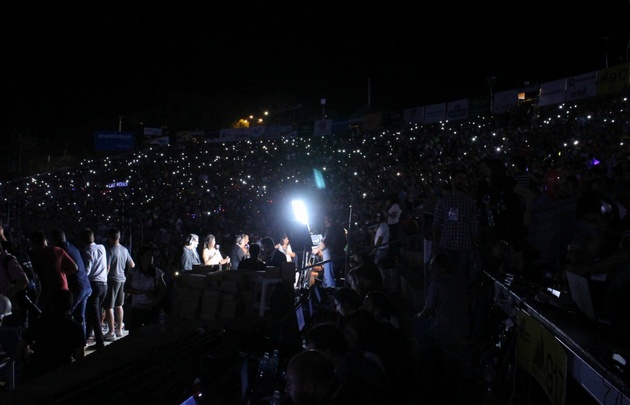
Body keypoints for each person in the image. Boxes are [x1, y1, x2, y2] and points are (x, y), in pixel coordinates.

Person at [15, 289, 85, 383]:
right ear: (70, 304)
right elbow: (79, 355)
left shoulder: (40, 323)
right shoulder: (76, 327)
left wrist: (23, 361)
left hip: (39, 368)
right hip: (63, 369)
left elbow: (21, 345)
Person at [432, 168, 479, 285]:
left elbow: (473, 226)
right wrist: (435, 245)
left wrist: (474, 246)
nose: (462, 181)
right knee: (445, 277)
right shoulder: (444, 201)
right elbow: (437, 224)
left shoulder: (470, 202)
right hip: (447, 245)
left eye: (464, 179)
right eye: (459, 178)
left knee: (460, 278)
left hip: (464, 246)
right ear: (453, 181)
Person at [50, 229, 92, 340]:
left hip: (77, 287)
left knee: (65, 315)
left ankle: (64, 341)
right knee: (80, 317)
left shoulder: (60, 250)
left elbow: (73, 268)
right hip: (86, 286)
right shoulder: (72, 247)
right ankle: (80, 343)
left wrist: (62, 274)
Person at [28, 230, 78, 313]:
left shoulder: (33, 254)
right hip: (62, 288)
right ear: (45, 240)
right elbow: (74, 267)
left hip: (45, 291)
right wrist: (61, 272)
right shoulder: (57, 250)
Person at [124, 245, 167, 332]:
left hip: (150, 308)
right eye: (148, 255)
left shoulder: (157, 273)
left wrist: (155, 302)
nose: (151, 258)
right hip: (136, 308)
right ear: (141, 257)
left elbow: (163, 290)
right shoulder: (133, 271)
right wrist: (142, 292)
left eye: (152, 255)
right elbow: (126, 288)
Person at [104, 227, 135, 340]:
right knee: (119, 305)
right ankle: (119, 330)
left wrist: (103, 279)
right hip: (122, 279)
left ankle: (111, 332)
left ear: (109, 238)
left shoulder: (109, 250)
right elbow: (132, 265)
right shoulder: (124, 250)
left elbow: (107, 267)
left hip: (112, 280)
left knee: (108, 307)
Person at [81, 228, 108, 350]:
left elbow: (87, 271)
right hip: (104, 285)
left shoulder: (87, 251)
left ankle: (99, 341)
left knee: (94, 314)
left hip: (94, 284)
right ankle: (88, 336)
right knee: (94, 312)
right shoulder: (101, 248)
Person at [312, 214, 347, 288]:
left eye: (325, 220)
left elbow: (325, 243)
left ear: (330, 220)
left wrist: (317, 250)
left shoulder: (331, 229)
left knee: (330, 279)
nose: (324, 222)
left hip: (331, 258)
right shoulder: (340, 228)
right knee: (335, 277)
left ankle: (331, 293)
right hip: (338, 256)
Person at [382, 194, 402, 259]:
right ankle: (392, 254)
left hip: (394, 225)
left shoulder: (395, 206)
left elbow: (393, 216)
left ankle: (395, 255)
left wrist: (386, 212)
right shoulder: (391, 206)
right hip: (391, 224)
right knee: (391, 239)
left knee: (393, 239)